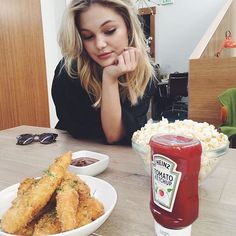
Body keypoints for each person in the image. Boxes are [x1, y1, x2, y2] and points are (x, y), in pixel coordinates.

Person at [52, 0, 156, 144]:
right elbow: (92, 135)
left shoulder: (144, 74)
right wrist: (110, 77)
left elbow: (117, 136)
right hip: (77, 155)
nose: (100, 44)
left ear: (129, 27)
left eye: (109, 31)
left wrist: (110, 78)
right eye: (88, 36)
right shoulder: (69, 72)